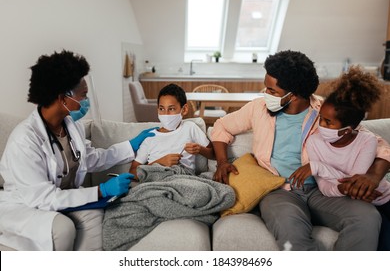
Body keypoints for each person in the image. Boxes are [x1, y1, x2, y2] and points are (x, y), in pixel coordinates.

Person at [211, 50, 390, 250]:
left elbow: (379, 145)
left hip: (323, 190)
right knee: (291, 234)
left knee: (367, 218)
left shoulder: (327, 112)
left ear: (293, 95)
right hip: (279, 191)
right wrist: (222, 161)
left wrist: (373, 177)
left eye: (272, 91)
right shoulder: (258, 108)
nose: (265, 93)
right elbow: (222, 126)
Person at [0, 50, 156, 251]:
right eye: (83, 95)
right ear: (63, 97)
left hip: (65, 197)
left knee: (95, 217)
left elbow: (89, 159)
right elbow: (44, 198)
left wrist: (130, 145)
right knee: (63, 228)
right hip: (28, 206)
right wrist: (101, 190)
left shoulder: (71, 126)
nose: (86, 99)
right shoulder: (25, 140)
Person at [289, 66, 390, 250]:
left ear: (348, 129)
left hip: (384, 196)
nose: (321, 126)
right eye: (321, 119)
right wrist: (341, 186)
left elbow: (353, 182)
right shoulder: (314, 142)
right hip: (364, 200)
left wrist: (318, 167)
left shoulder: (367, 141)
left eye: (328, 122)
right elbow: (327, 188)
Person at [129, 83, 214, 179]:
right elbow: (132, 172)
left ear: (184, 109)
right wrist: (159, 163)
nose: (166, 114)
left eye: (171, 109)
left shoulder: (190, 128)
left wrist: (200, 149)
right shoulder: (150, 137)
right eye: (161, 109)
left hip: (184, 179)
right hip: (156, 181)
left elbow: (213, 154)